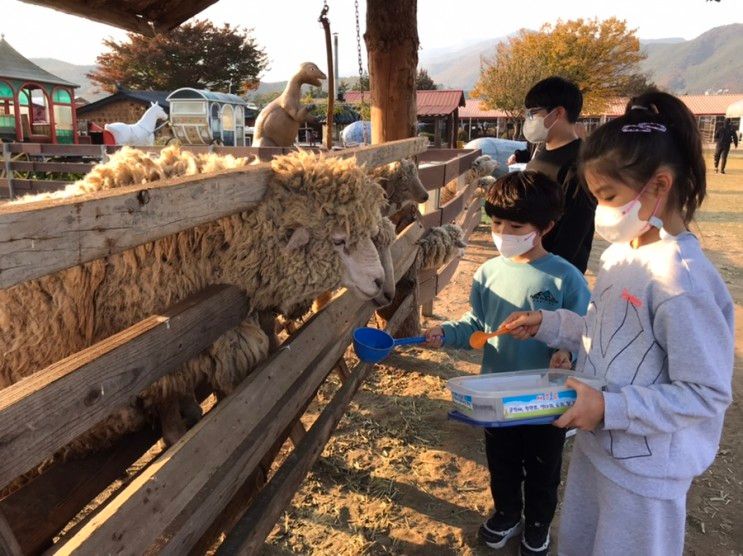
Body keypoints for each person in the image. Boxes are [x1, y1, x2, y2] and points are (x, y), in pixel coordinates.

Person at [501, 90, 734, 556]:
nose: (601, 210)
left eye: (608, 196)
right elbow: (600, 328)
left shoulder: (681, 281)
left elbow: (706, 393)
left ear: (659, 186)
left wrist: (611, 409)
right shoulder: (620, 254)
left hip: (645, 477)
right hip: (597, 450)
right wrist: (547, 323)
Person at [424, 171, 590, 556]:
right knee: (502, 462)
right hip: (496, 396)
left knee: (543, 468)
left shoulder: (566, 279)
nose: (502, 232)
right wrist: (447, 333)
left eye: (515, 225)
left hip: (546, 401)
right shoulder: (488, 273)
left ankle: (537, 525)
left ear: (546, 226)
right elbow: (477, 326)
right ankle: (507, 513)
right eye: (496, 222)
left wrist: (566, 354)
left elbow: (582, 333)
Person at [522, 76, 596, 274]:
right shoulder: (540, 155)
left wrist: (549, 273)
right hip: (527, 265)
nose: (529, 119)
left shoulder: (579, 164)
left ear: (558, 113)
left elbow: (574, 231)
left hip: (553, 274)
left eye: (534, 113)